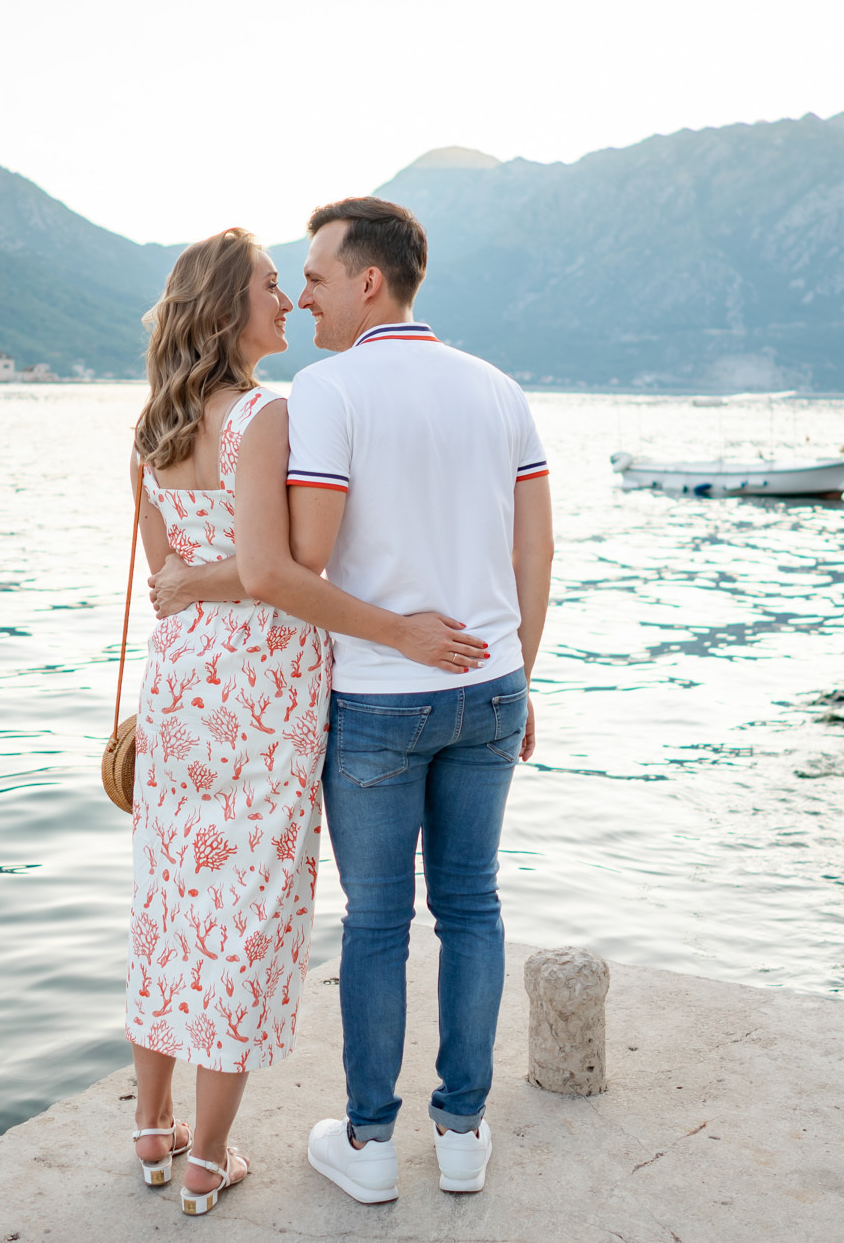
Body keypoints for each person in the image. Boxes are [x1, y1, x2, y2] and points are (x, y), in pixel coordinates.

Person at [125, 228, 488, 1216]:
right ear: (225, 310)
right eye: (268, 287)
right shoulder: (261, 417)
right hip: (262, 693)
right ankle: (206, 1158)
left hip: (180, 684)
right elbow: (280, 573)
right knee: (247, 916)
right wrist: (400, 633)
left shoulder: (148, 430)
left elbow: (170, 579)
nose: (285, 301)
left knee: (167, 902)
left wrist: (204, 578)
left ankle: (150, 1129)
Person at [249, 196, 554, 1204]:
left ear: (367, 280)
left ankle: (370, 1146)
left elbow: (303, 560)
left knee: (376, 921)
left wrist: (395, 631)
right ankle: (461, 1135)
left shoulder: (327, 390)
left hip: (380, 697)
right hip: (490, 686)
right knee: (471, 906)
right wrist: (518, 672)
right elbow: (532, 551)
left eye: (317, 277)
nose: (304, 296)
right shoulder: (498, 388)